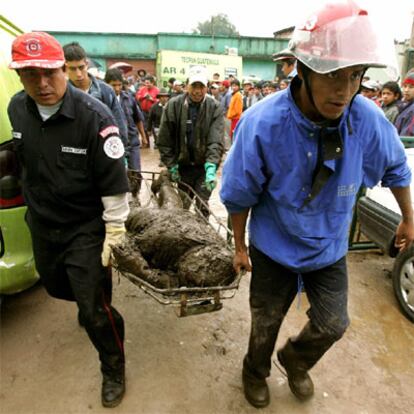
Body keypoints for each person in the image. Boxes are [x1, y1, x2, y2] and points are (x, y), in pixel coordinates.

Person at [220, 0, 414, 409]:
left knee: (333, 324)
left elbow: (397, 168)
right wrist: (239, 247)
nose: (344, 91)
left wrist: (408, 220)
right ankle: (254, 371)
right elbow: (238, 195)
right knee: (265, 322)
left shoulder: (367, 118)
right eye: (332, 76)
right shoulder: (262, 124)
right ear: (303, 71)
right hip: (274, 246)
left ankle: (295, 360)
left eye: (355, 77)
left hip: (328, 247)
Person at [7, 32, 130, 408]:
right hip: (43, 223)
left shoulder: (95, 117)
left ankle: (113, 366)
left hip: (84, 228)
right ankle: (91, 295)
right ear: (20, 76)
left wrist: (115, 228)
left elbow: (113, 182)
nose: (42, 84)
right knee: (57, 287)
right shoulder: (17, 109)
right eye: (31, 74)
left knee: (94, 310)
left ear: (63, 69)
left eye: (49, 73)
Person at [157, 65, 224, 217]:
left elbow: (216, 139)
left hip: (204, 167)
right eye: (194, 86)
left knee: (202, 204)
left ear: (207, 87)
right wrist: (171, 165)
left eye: (202, 86)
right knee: (182, 205)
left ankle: (203, 232)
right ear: (187, 85)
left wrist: (211, 167)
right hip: (183, 166)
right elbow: (164, 139)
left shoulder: (214, 107)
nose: (197, 91)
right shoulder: (174, 105)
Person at [62, 42, 128, 147]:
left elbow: (119, 124)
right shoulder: (62, 94)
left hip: (103, 150)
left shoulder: (106, 91)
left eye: (81, 67)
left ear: (87, 64)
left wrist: (120, 151)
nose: (78, 74)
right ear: (64, 68)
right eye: (72, 69)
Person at [105, 68, 145, 199]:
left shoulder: (129, 98)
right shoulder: (102, 100)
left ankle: (135, 196)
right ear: (106, 84)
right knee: (117, 174)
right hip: (113, 143)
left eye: (119, 85)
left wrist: (143, 137)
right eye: (113, 85)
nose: (117, 88)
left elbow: (138, 118)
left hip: (132, 141)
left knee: (136, 171)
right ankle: (121, 198)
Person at [395, 73, 414, 137]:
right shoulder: (404, 106)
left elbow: (408, 135)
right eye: (405, 86)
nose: (406, 90)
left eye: (411, 87)